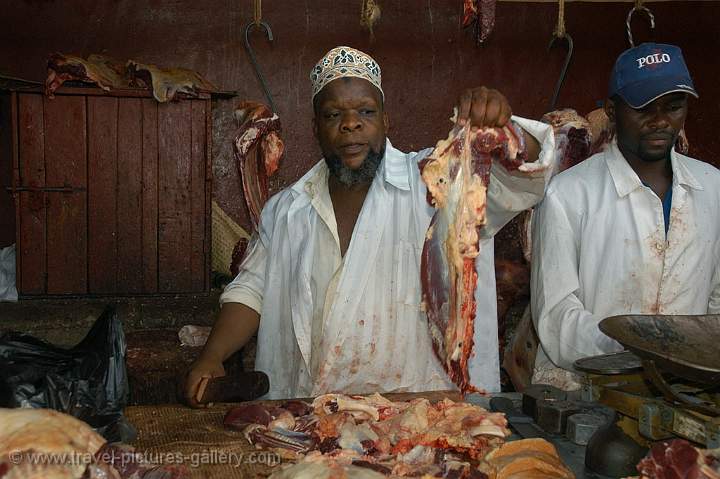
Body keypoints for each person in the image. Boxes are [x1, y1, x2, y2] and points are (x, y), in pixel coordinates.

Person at [185, 46, 555, 403]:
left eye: (365, 111)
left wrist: (502, 127)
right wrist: (212, 356)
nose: (350, 124)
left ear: (385, 121)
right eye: (333, 116)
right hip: (308, 421)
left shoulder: (437, 179)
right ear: (315, 129)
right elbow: (251, 290)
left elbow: (522, 177)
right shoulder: (286, 210)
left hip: (419, 423)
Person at [531, 42, 720, 388]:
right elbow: (556, 315)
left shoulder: (713, 187)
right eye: (643, 108)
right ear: (613, 111)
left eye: (674, 107)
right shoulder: (569, 194)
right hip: (587, 390)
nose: (661, 121)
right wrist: (636, 352)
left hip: (688, 393)